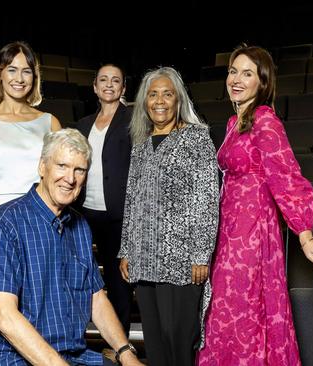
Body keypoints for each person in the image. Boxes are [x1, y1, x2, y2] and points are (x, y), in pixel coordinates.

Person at [196, 44, 313, 365]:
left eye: (248, 73)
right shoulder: (235, 122)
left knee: (243, 317)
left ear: (263, 82)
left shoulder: (265, 121)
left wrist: (305, 234)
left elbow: (286, 178)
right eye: (233, 71)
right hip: (228, 236)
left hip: (251, 239)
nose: (237, 79)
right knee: (225, 318)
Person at [0, 128, 144, 366]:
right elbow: (3, 317)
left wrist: (126, 353)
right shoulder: (6, 222)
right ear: (42, 167)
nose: (70, 179)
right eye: (61, 165)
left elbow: (96, 300)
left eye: (79, 170)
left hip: (67, 354)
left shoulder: (80, 226)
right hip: (9, 356)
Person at [117, 67, 219, 366]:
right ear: (144, 101)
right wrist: (126, 250)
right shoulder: (140, 145)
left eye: (167, 93)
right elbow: (132, 200)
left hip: (182, 259)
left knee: (179, 339)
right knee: (156, 339)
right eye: (152, 94)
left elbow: (207, 198)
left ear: (179, 99)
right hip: (144, 257)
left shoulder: (197, 138)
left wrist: (201, 253)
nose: (159, 100)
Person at [0, 41, 61, 294]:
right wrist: (7, 221)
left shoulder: (50, 123)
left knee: (41, 297)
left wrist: (40, 220)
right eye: (12, 69)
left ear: (34, 76)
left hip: (40, 219)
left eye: (26, 71)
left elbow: (60, 178)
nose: (19, 78)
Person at [75, 63, 134, 336]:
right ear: (95, 87)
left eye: (116, 80)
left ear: (123, 88)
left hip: (118, 214)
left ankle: (121, 344)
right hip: (85, 211)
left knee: (117, 280)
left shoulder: (134, 119)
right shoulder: (83, 124)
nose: (109, 84)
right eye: (103, 80)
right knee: (81, 276)